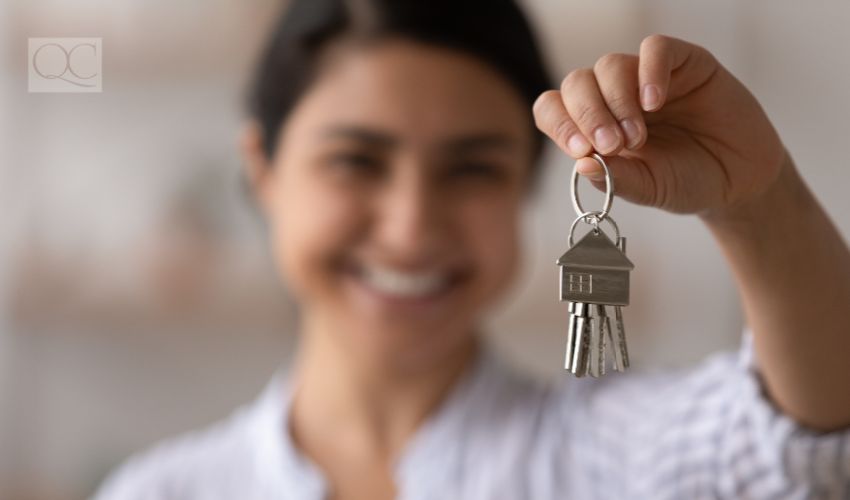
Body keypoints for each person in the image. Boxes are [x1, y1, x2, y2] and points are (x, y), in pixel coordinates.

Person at [95, 0, 850, 498]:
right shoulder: (159, 491)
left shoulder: (607, 457)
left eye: (472, 168)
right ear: (263, 172)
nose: (412, 228)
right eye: (357, 161)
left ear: (527, 182)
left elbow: (800, 447)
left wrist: (759, 200)